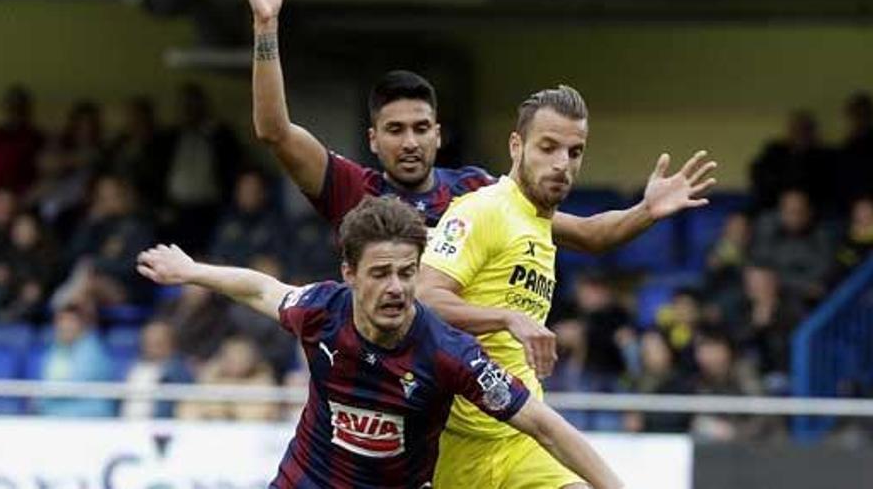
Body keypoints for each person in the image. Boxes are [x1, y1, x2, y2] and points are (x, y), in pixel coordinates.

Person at [247, 0, 716, 375]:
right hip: (375, 378)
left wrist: (647, 210)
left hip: (451, 386)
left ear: (438, 133)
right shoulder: (352, 190)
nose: (409, 141)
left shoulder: (478, 191)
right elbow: (275, 131)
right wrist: (266, 27)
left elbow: (589, 234)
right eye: (395, 130)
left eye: (420, 127)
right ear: (373, 139)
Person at [137, 196, 622, 489]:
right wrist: (192, 271)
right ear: (349, 273)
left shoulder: (449, 352)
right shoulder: (321, 311)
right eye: (381, 273)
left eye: (407, 273)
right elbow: (262, 288)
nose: (396, 287)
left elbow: (546, 427)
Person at [416, 85, 712, 487]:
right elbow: (425, 299)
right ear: (516, 146)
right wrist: (508, 318)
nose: (562, 164)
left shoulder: (538, 220)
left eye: (574, 153)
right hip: (455, 444)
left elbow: (593, 235)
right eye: (548, 147)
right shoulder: (481, 210)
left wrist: (646, 211)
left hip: (521, 438)